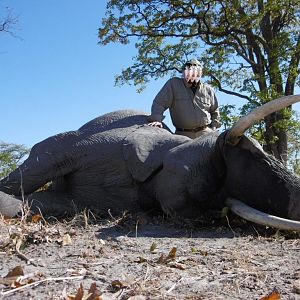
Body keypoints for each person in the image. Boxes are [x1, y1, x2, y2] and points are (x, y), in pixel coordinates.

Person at [148, 58, 221, 139]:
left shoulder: (208, 90)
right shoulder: (173, 84)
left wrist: (213, 127)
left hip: (206, 133)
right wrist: (157, 120)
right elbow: (160, 102)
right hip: (182, 135)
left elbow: (215, 111)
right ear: (184, 72)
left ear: (200, 73)